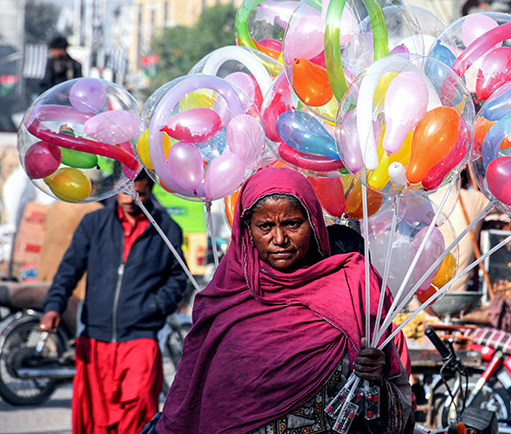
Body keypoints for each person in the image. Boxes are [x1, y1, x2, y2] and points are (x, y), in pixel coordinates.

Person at [155, 167, 414, 433]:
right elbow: (194, 403)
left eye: (292, 224)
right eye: (265, 227)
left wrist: (377, 379)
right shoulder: (223, 302)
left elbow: (394, 415)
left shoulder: (353, 286)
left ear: (313, 223)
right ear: (248, 232)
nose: (279, 239)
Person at [40, 170, 187, 434]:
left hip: (141, 341)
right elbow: (69, 270)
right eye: (125, 192)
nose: (130, 199)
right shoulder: (93, 223)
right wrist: (53, 307)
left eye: (138, 193)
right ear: (115, 188)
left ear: (150, 191)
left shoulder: (167, 229)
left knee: (137, 419)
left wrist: (155, 306)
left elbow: (178, 277)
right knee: (94, 422)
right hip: (95, 340)